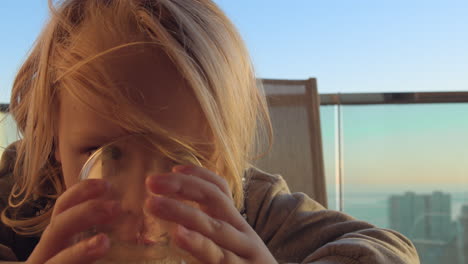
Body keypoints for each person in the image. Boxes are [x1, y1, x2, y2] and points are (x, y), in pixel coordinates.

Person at [0, 0, 420, 263]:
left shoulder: (241, 207)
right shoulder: (15, 194)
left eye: (185, 158)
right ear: (53, 138)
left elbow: (386, 250)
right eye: (106, 154)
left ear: (223, 154)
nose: (143, 198)